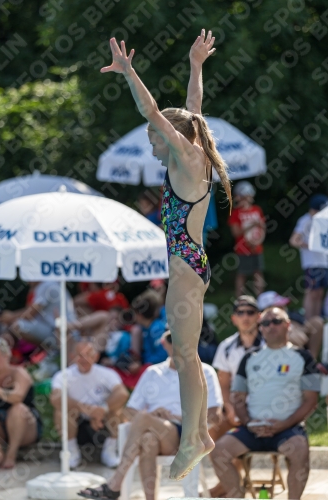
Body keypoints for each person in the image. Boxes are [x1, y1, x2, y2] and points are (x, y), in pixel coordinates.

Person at [80, 28, 231, 484]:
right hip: (189, 266)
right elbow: (194, 110)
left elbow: (154, 111)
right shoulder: (192, 150)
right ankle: (197, 434)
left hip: (186, 270)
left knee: (185, 355)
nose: (150, 140)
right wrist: (196, 65)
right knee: (185, 354)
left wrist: (129, 72)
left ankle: (197, 436)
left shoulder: (187, 155)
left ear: (173, 136)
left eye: (153, 135)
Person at [78, 330, 223, 500]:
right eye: (172, 338)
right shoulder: (152, 373)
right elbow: (129, 411)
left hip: (186, 433)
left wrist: (178, 417)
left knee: (144, 419)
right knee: (148, 440)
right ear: (164, 343)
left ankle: (115, 483)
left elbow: (215, 416)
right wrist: (153, 416)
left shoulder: (205, 372)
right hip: (156, 431)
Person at [211, 306, 321, 499]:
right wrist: (248, 423)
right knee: (218, 451)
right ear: (260, 328)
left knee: (300, 450)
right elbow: (237, 397)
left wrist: (284, 424)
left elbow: (311, 400)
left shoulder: (304, 358)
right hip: (253, 427)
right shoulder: (249, 358)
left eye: (276, 321)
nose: (271, 326)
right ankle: (237, 497)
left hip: (289, 429)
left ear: (288, 326)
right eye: (265, 323)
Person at [209, 295, 263, 498]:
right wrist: (230, 409)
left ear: (258, 316)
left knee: (236, 432)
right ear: (234, 318)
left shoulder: (269, 344)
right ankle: (227, 480)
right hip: (235, 409)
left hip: (263, 410)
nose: (245, 317)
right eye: (241, 312)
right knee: (210, 425)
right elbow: (223, 383)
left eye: (250, 312)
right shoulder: (227, 346)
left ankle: (229, 484)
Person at [50, 341, 129, 468]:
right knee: (60, 411)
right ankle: (71, 452)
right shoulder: (63, 375)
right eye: (80, 355)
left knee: (117, 411)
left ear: (96, 356)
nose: (84, 359)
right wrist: (87, 410)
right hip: (78, 421)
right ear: (72, 356)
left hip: (103, 421)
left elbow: (122, 393)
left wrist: (101, 410)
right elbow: (55, 398)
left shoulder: (107, 373)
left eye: (88, 354)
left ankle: (110, 451)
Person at [0, 338, 43, 468]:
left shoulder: (19, 373)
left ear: (6, 356)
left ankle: (11, 454)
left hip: (26, 426)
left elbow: (17, 398)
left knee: (18, 409)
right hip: (1, 429)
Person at [1, 281, 76, 348]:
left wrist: (10, 317)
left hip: (63, 334)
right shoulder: (49, 283)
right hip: (63, 331)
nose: (27, 281)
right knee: (16, 325)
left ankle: (50, 353)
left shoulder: (46, 285)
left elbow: (29, 315)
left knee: (17, 325)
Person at [289, 194, 328, 319]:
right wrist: (311, 245)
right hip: (312, 263)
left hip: (324, 262)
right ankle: (308, 320)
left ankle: (316, 321)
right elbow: (294, 240)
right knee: (311, 292)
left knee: (320, 293)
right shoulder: (305, 221)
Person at [257, 290, 323, 359]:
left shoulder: (291, 315)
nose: (284, 307)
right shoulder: (263, 324)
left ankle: (312, 361)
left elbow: (303, 334)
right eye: (279, 306)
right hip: (280, 353)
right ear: (266, 310)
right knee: (291, 337)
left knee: (317, 322)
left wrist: (298, 329)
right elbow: (301, 339)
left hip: (300, 338)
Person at [228, 181, 266, 297]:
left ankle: (261, 299)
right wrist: (251, 225)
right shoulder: (235, 213)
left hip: (257, 248)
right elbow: (235, 232)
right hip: (242, 249)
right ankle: (239, 300)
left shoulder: (257, 209)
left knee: (258, 273)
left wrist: (258, 242)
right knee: (242, 274)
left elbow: (263, 228)